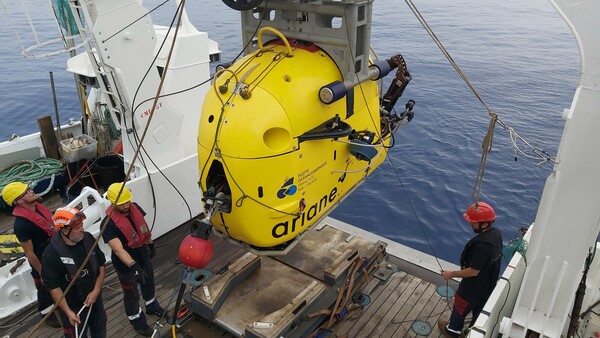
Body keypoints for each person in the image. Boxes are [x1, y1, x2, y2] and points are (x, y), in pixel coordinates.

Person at [101, 182, 162, 337]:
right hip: (125, 262)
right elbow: (117, 249)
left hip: (142, 252)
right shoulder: (108, 224)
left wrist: (150, 244)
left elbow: (144, 227)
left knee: (148, 281)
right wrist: (133, 266)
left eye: (128, 201)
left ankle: (151, 305)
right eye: (122, 204)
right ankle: (138, 322)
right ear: (113, 203)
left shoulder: (134, 207)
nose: (127, 205)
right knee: (131, 294)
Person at [1, 181, 62, 328]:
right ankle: (46, 312)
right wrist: (42, 271)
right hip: (41, 260)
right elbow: (29, 252)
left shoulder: (38, 208)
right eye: (26, 192)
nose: (31, 191)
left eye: (29, 189)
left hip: (55, 252)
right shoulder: (21, 225)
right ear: (19, 201)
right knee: (44, 289)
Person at [438, 201, 503, 338]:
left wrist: (451, 274)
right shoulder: (497, 235)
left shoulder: (481, 246)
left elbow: (473, 271)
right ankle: (471, 332)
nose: (471, 224)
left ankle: (452, 331)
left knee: (459, 310)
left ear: (484, 224)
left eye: (473, 222)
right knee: (479, 312)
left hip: (471, 289)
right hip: (488, 286)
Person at [42, 207, 107, 338]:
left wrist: (96, 291)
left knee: (100, 330)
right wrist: (68, 312)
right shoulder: (50, 255)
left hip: (94, 299)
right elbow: (54, 288)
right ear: (65, 230)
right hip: (72, 306)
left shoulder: (88, 239)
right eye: (77, 229)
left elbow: (100, 265)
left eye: (82, 226)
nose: (82, 230)